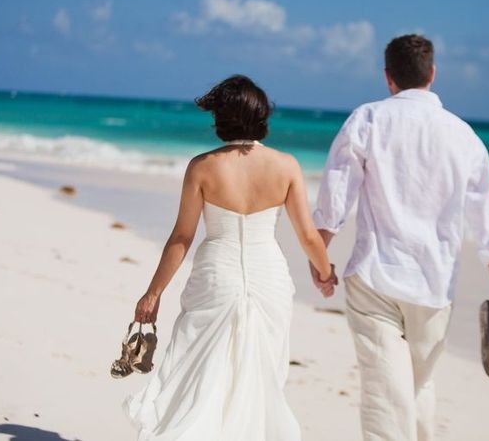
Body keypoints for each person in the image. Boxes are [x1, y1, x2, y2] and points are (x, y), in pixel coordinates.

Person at [310, 34, 489, 441]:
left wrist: (320, 257)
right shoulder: (464, 135)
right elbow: (483, 208)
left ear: (388, 77)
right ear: (433, 74)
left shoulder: (368, 119)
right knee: (417, 385)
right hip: (435, 286)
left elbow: (337, 194)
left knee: (386, 393)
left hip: (375, 278)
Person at [122, 75, 336, 440]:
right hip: (268, 276)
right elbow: (307, 236)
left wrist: (153, 293)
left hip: (215, 275)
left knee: (199, 368)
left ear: (220, 119)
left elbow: (182, 237)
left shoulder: (202, 167)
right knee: (260, 373)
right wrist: (325, 272)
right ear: (261, 116)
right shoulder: (286, 166)